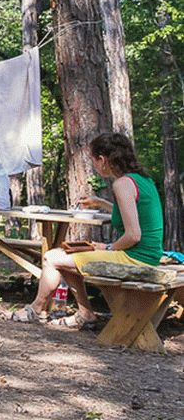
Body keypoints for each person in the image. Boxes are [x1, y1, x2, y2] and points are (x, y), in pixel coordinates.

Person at [10, 132, 165, 328]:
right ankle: (85, 313)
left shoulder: (122, 184)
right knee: (69, 255)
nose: (94, 165)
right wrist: (100, 203)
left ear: (103, 160)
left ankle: (36, 308)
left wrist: (107, 248)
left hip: (136, 258)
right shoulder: (141, 180)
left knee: (51, 257)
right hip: (148, 255)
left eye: (93, 160)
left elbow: (134, 235)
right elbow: (133, 212)